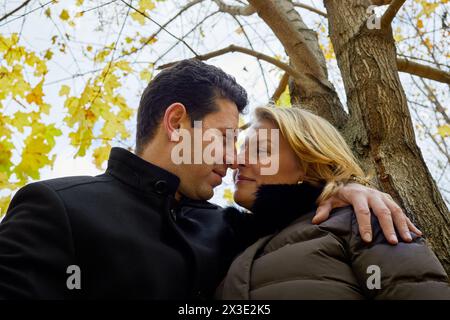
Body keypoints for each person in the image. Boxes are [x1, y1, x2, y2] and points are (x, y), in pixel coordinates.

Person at [0, 59, 420, 299]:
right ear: (177, 122)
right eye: (225, 137)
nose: (235, 156)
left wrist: (343, 187)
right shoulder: (58, 206)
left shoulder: (232, 230)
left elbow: (297, 227)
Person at [217, 106, 450, 300]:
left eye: (260, 150)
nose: (238, 161)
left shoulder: (362, 218)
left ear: (309, 165)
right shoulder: (225, 248)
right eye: (242, 151)